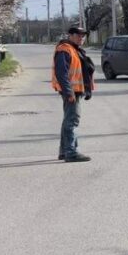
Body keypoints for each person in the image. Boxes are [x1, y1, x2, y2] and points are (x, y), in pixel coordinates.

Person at [52, 26, 96, 162]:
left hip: (75, 90)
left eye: (83, 36)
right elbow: (61, 73)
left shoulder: (74, 49)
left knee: (68, 120)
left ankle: (64, 151)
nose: (81, 38)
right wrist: (68, 91)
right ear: (70, 35)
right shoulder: (65, 49)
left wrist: (86, 89)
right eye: (78, 35)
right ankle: (71, 152)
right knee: (72, 121)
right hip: (71, 91)